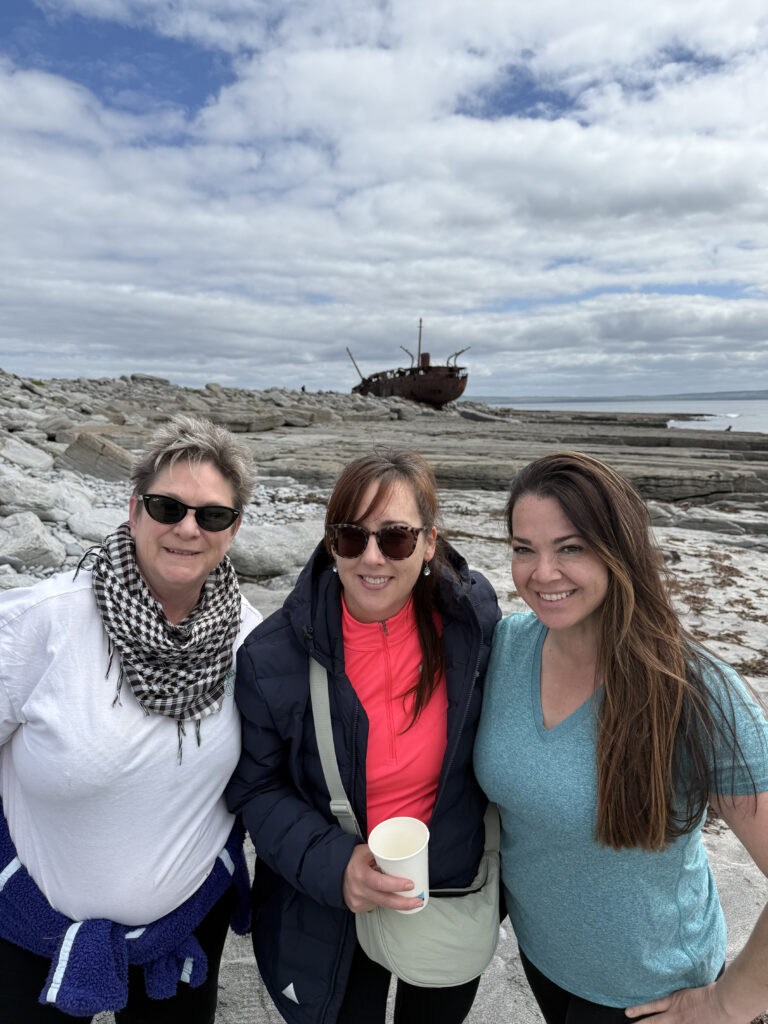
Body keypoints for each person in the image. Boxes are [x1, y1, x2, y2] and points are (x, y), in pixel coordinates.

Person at [474, 451, 768, 1024]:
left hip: (650, 996)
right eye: (523, 549)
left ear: (620, 549)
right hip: (543, 960)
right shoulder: (509, 646)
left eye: (571, 547)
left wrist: (730, 1004)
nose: (541, 573)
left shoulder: (697, 692)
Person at [0, 415, 261, 1024]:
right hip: (26, 929)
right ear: (134, 510)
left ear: (234, 529)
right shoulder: (44, 622)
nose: (188, 529)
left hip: (185, 930)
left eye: (212, 516)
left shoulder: (252, 642)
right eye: (168, 507)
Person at [226, 448, 501, 1024]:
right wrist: (334, 865)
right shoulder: (272, 656)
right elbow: (256, 788)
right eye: (352, 538)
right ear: (331, 544)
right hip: (329, 901)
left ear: (429, 543)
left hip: (446, 885)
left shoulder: (473, 623)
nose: (372, 558)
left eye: (396, 538)